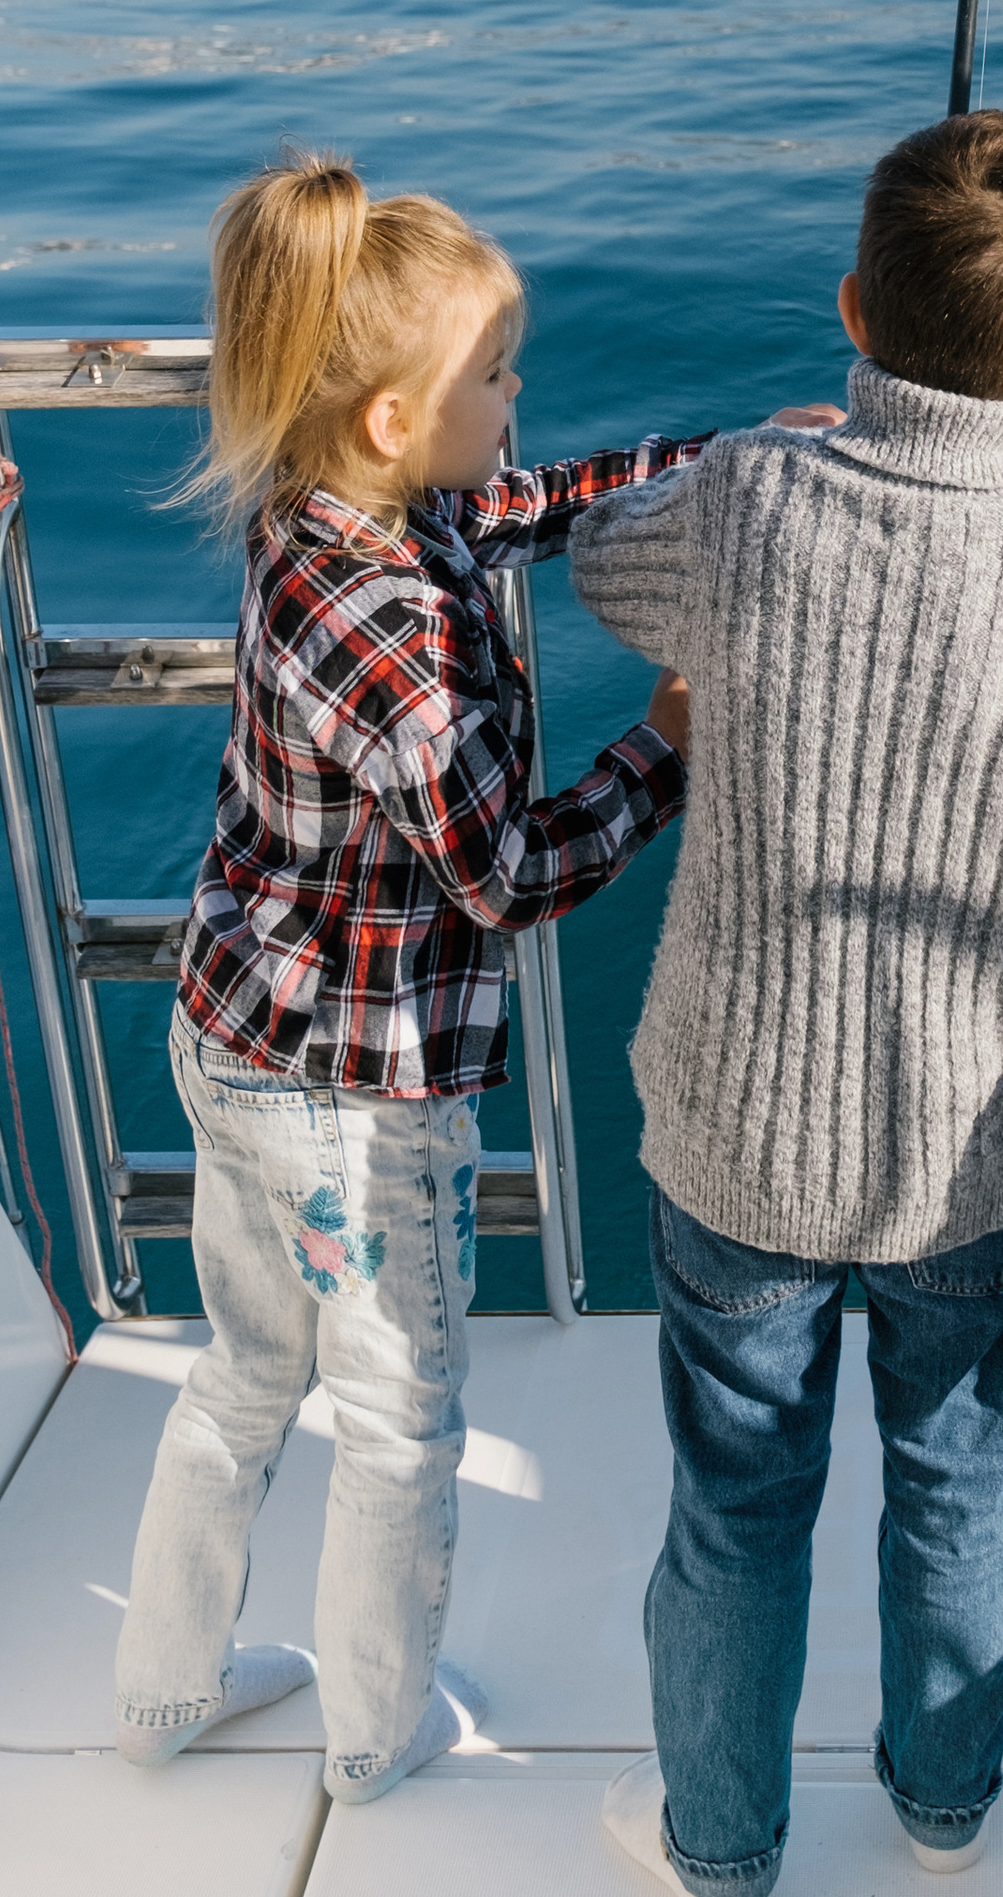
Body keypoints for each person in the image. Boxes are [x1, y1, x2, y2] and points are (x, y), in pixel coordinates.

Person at [566, 107, 1003, 1897]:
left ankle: (725, 1853)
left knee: (737, 1510)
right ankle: (946, 1800)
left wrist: (780, 447)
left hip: (740, 1129)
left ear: (849, 304)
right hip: (979, 1148)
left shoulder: (746, 500)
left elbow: (603, 560)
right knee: (957, 1486)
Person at [113, 152, 703, 1806]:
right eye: (497, 375)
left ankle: (164, 1683)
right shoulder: (401, 639)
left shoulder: (324, 513)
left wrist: (710, 461)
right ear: (392, 414)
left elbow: (507, 503)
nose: (518, 403)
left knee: (238, 1376)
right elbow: (505, 874)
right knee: (398, 1416)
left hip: (231, 1036)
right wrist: (660, 751)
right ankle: (376, 1730)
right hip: (353, 1105)